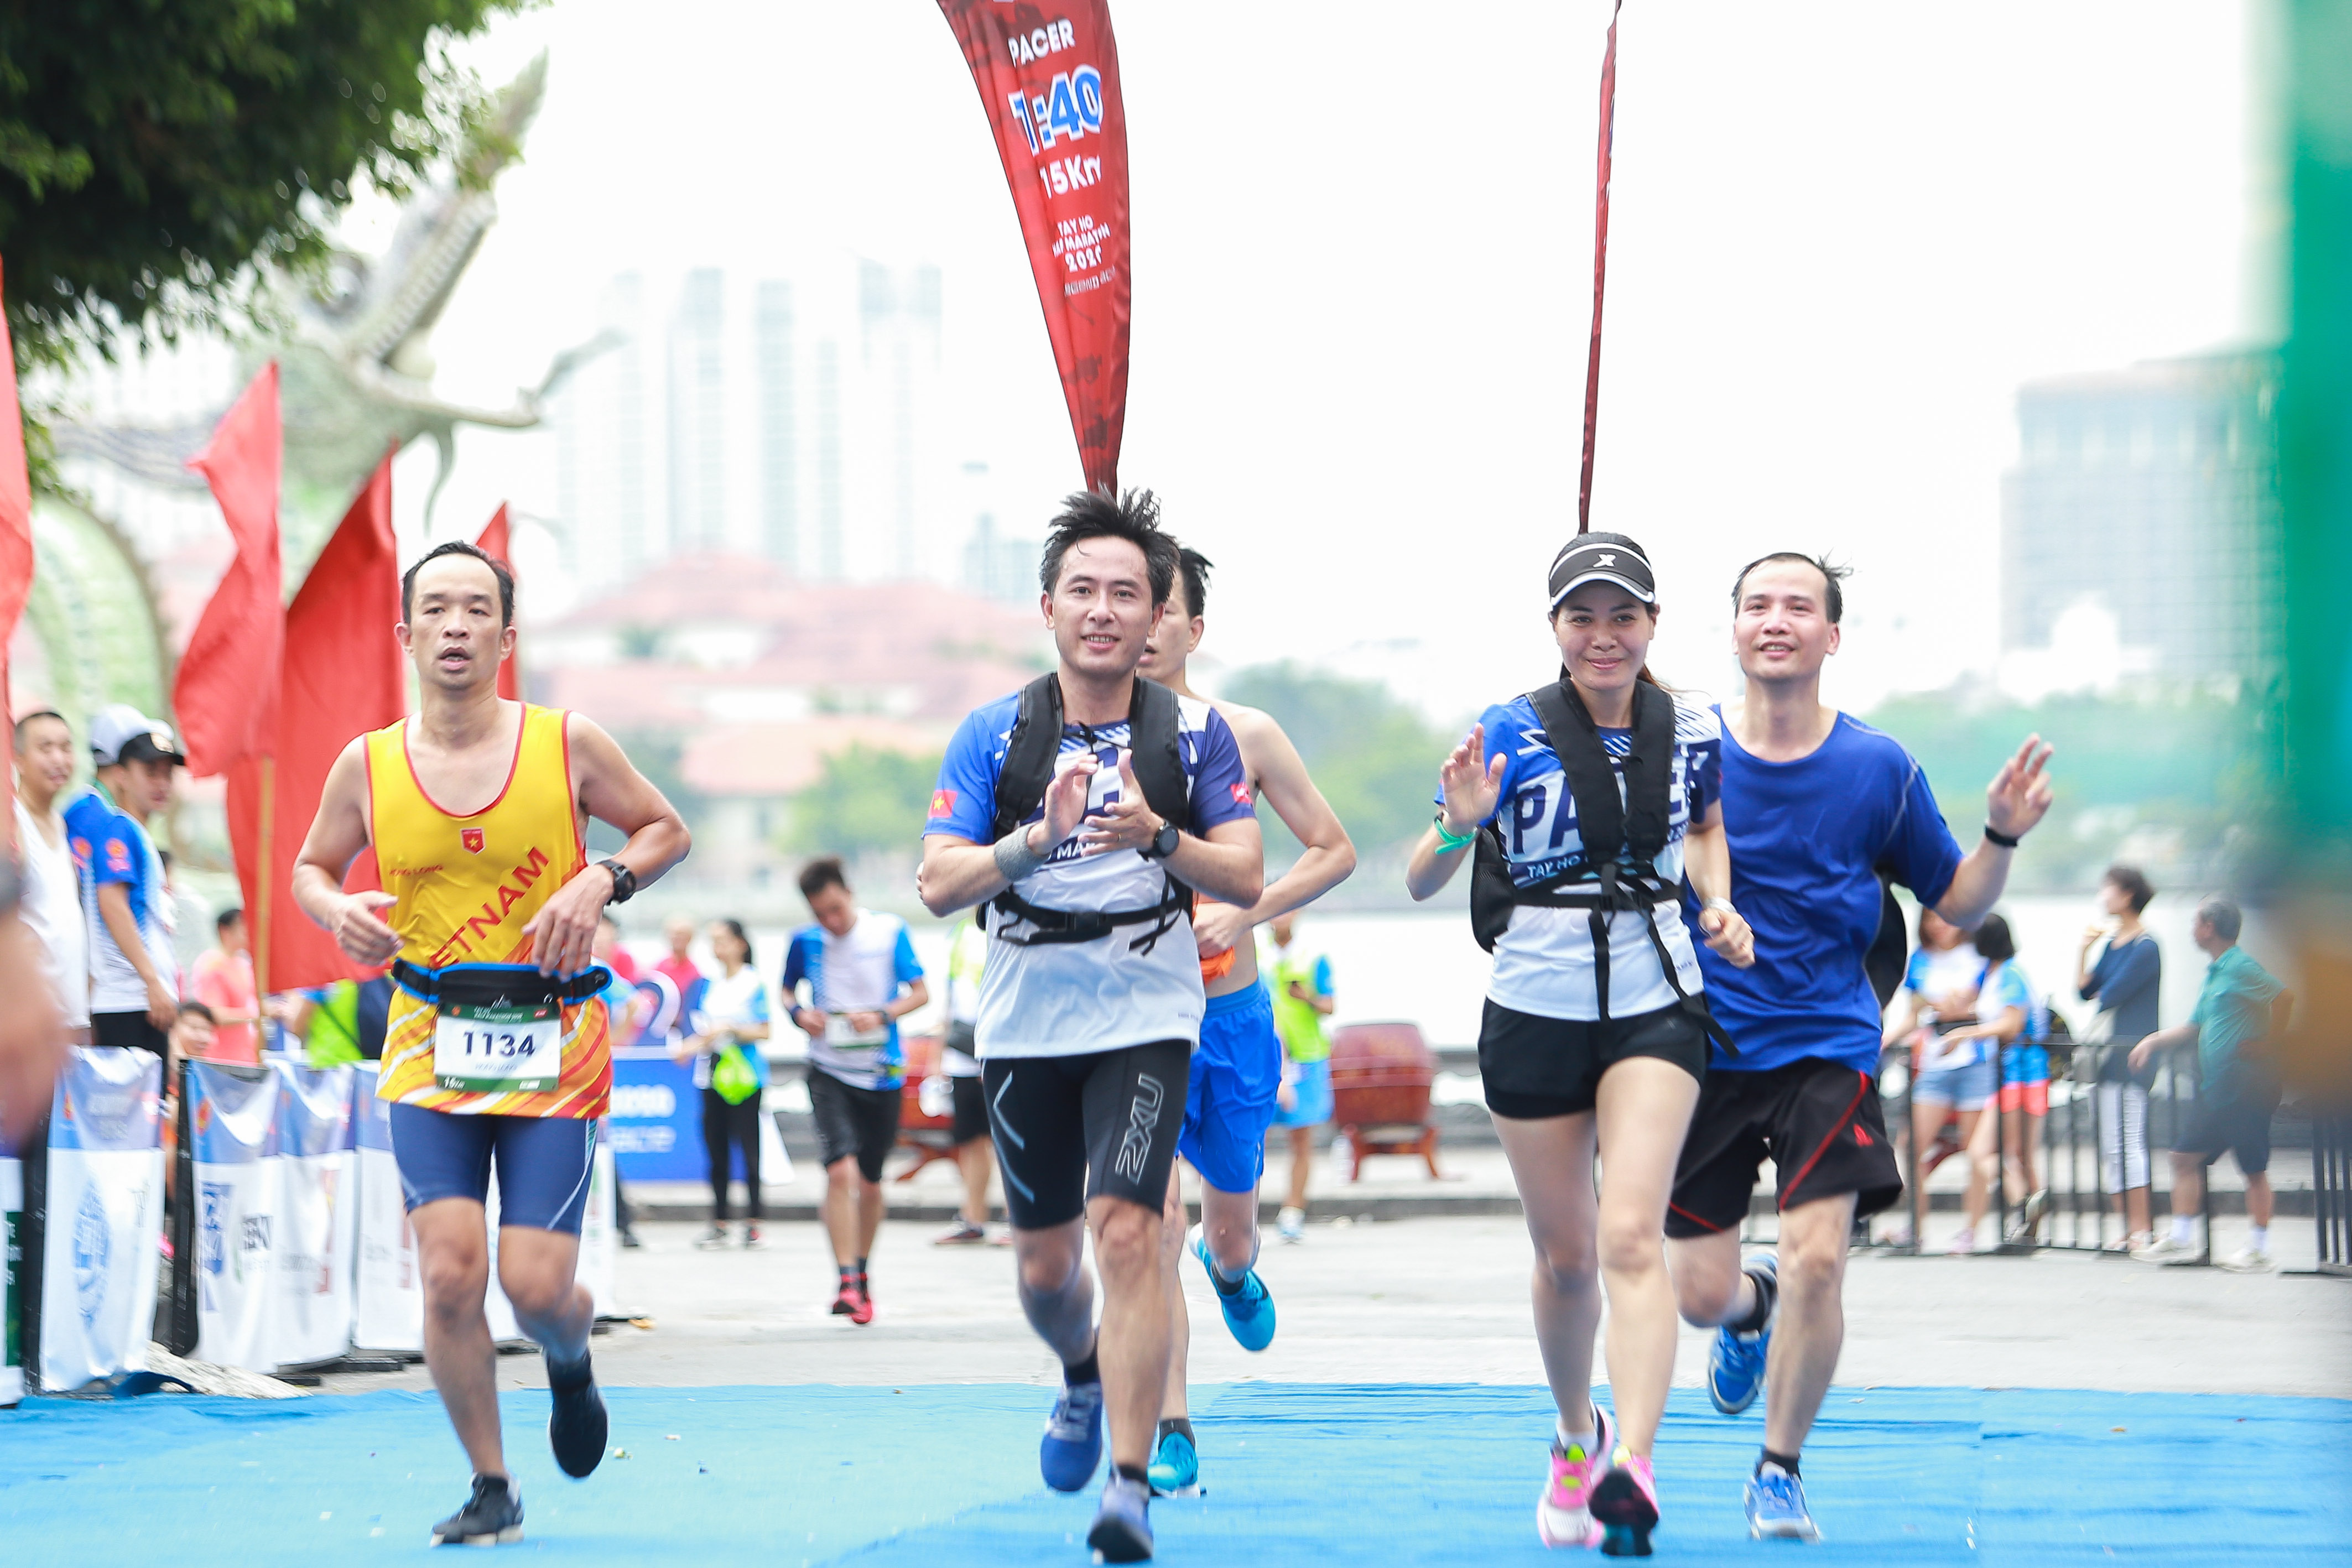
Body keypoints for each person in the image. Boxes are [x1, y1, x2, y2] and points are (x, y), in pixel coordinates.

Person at [291, 539, 690, 1547]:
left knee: (535, 1285)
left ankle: (568, 1360)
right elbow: (309, 868)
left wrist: (603, 880)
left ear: (507, 639)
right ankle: (491, 1483)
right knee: (449, 1274)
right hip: (431, 1036)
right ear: (408, 635)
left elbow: (663, 830)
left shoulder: (566, 744)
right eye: (438, 610)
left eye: (477, 610)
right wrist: (338, 909)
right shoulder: (367, 763)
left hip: (551, 1034)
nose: (457, 625)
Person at [1664, 551, 2051, 1544]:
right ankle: (1749, 1314)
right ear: (1735, 630)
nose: (1776, 620)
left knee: (1820, 1262)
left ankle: (1779, 1469)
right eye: (1757, 605)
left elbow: (1954, 900)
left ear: (1831, 636)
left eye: (1799, 606)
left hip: (1828, 1049)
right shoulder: (1689, 757)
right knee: (1699, 1295)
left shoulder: (1878, 768)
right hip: (1707, 1051)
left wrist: (1999, 838)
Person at [919, 489, 1263, 1564]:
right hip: (1025, 1014)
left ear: (1158, 612)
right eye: (1085, 590)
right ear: (1048, 605)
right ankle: (1077, 1374)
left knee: (1130, 1228)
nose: (1106, 610)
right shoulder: (996, 733)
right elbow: (937, 883)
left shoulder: (1197, 736)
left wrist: (1160, 836)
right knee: (1043, 1269)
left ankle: (1130, 1482)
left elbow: (1245, 871)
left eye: (1127, 592)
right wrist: (1035, 838)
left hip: (1146, 1007)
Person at [1405, 533, 1753, 1557]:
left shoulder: (1689, 725)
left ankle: (1634, 1465)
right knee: (1564, 1259)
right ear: (1555, 629)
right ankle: (1575, 1435)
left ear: (1652, 625)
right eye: (1582, 618)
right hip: (1536, 1002)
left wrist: (1719, 905)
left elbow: (1701, 830)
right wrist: (1463, 823)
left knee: (1629, 1239)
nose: (1603, 637)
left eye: (1623, 617)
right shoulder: (1507, 728)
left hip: (1655, 999)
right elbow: (1422, 876)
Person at [1133, 543, 1356, 1499]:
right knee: (1149, 1224)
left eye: (1155, 609)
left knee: (1223, 1230)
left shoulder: (1246, 733)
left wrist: (1245, 910)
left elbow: (1332, 850)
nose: (1134, 629)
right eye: (1117, 603)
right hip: (1132, 1018)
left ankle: (1232, 1273)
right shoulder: (1072, 738)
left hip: (1228, 1016)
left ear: (1192, 628)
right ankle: (1171, 1423)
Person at [782, 858, 928, 1324]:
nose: (831, 921)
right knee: (840, 1172)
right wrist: (800, 1014)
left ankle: (862, 1273)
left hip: (881, 1070)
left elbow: (920, 992)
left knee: (869, 1180)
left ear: (849, 892)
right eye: (820, 913)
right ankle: (845, 1278)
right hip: (828, 1070)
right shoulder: (805, 942)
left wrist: (883, 1015)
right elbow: (788, 991)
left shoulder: (889, 931)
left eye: (836, 909)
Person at [2130, 895, 2292, 1273]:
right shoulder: (2216, 972)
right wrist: (2152, 1040)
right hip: (2217, 1091)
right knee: (2183, 1157)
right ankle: (2182, 1236)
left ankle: (2259, 1248)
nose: (2191, 929)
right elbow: (2194, 1026)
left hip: (2247, 1087)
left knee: (2253, 1167)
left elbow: (2285, 996)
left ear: (2209, 927)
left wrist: (2270, 1042)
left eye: (2196, 922)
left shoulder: (2241, 966)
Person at [64, 705, 185, 1064]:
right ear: (121, 771)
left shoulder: (122, 823)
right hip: (122, 996)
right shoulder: (102, 820)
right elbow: (107, 905)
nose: (161, 783)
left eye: (167, 773)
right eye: (150, 771)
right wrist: (151, 980)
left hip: (133, 995)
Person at [1941, 913, 2048, 1251]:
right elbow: (1965, 1000)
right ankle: (2028, 1226)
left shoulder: (2011, 975)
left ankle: (2019, 1200)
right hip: (2018, 1074)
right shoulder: (1991, 973)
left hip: (2018, 1074)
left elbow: (2011, 1025)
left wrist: (1965, 1034)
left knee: (1982, 1151)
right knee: (2021, 1155)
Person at [2076, 864, 2161, 1253]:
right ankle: (2127, 1229)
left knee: (2129, 1143)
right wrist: (2083, 949)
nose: (2103, 895)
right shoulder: (2112, 943)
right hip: (2109, 1057)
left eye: (2108, 888)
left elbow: (2110, 993)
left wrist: (2099, 982)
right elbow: (2085, 992)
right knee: (2111, 1145)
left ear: (2127, 895)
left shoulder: (2146, 947)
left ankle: (2143, 1228)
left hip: (2134, 1056)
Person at [676, 918, 771, 1251]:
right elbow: (701, 1030)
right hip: (711, 1074)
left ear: (740, 943)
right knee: (716, 1150)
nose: (718, 948)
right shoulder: (709, 984)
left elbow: (765, 1030)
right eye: (713, 941)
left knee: (749, 1148)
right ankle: (719, 1222)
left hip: (745, 1077)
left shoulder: (752, 982)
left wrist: (728, 1028)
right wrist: (694, 1045)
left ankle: (754, 1222)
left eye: (723, 941)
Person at [14, 710, 90, 1047]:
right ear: (17, 758)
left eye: (65, 747)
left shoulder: (63, 824)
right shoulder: (11, 825)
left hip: (72, 1016)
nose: (59, 759)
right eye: (45, 749)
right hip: (30, 1021)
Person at [1267, 911, 1335, 1244]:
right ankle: (1240, 1213)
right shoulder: (1253, 953)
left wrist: (1306, 997)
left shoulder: (1313, 957)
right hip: (1262, 1057)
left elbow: (1329, 1005)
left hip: (1306, 1057)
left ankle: (1293, 1212)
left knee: (1302, 1139)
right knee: (1249, 1136)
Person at [934, 914, 1001, 1246]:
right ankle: (973, 1217)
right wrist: (938, 1055)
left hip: (1001, 1047)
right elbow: (951, 994)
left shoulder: (1014, 913)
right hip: (962, 1050)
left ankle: (1028, 1221)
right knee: (971, 1140)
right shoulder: (961, 930)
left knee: (1011, 1141)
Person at [188, 908, 263, 1065]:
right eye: (243, 927)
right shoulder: (212, 965)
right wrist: (256, 1014)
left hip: (246, 1054)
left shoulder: (244, 965)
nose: (248, 932)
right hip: (220, 1058)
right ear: (225, 931)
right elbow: (214, 1014)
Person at [655, 913, 701, 999]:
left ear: (690, 937)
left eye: (682, 934)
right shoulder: (659, 967)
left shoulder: (694, 973)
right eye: (674, 933)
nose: (677, 938)